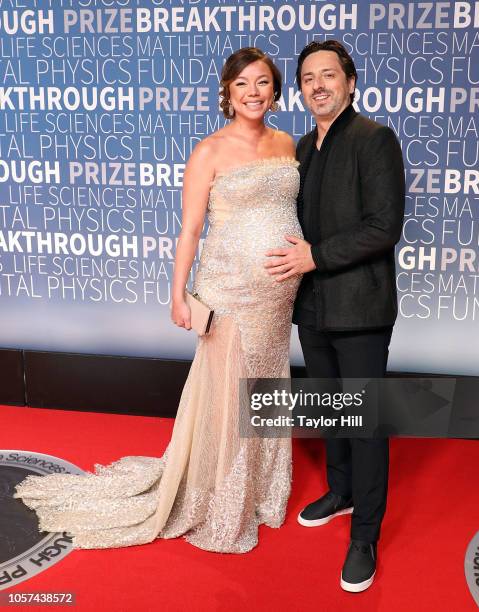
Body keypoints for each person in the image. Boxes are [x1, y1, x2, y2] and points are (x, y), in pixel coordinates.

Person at [13, 47, 303, 553]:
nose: (253, 92)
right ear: (227, 95)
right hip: (228, 290)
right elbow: (190, 230)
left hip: (276, 298)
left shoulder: (288, 143)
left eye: (262, 83)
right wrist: (177, 295)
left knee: (265, 382)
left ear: (276, 91)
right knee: (229, 388)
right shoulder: (209, 151)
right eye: (242, 85)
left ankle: (260, 489)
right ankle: (222, 497)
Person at [265, 41, 405, 591]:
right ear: (300, 89)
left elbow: (383, 226)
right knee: (330, 410)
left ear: (350, 82)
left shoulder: (375, 140)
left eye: (328, 75)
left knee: (366, 423)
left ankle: (366, 534)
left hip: (362, 306)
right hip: (313, 305)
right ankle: (342, 492)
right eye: (307, 78)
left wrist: (313, 256)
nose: (317, 85)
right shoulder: (301, 147)